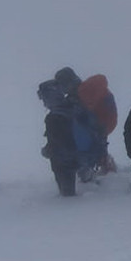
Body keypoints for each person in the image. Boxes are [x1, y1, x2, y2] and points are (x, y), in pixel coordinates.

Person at [38, 68, 85, 196]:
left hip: (65, 162)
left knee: (67, 193)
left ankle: (67, 202)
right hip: (81, 153)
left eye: (43, 99)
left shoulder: (54, 118)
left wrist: (48, 150)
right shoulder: (72, 106)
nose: (43, 103)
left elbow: (57, 144)